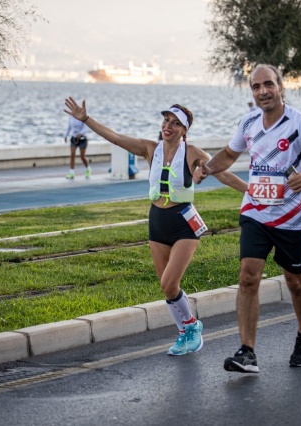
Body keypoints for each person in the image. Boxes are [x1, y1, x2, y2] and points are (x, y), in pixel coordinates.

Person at [64, 97, 247, 356]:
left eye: (175, 123)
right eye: (166, 120)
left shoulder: (194, 153)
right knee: (165, 286)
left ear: (184, 130)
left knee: (171, 282)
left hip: (184, 223)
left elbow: (223, 174)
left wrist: (251, 192)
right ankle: (185, 330)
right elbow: (115, 137)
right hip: (157, 222)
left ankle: (192, 328)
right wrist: (85, 120)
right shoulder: (150, 148)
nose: (168, 126)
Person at [194, 64, 301, 373]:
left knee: (295, 282)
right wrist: (206, 168)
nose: (263, 91)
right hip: (255, 210)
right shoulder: (248, 122)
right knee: (248, 275)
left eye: (268, 85)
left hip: (292, 218)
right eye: (256, 87)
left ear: (280, 87)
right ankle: (247, 352)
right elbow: (230, 155)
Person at [64, 115, 91, 179]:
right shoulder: (71, 118)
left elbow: (85, 128)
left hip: (82, 139)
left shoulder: (82, 117)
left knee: (82, 157)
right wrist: (66, 135)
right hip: (74, 139)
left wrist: (81, 133)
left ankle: (88, 168)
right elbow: (69, 127)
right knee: (72, 155)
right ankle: (71, 172)